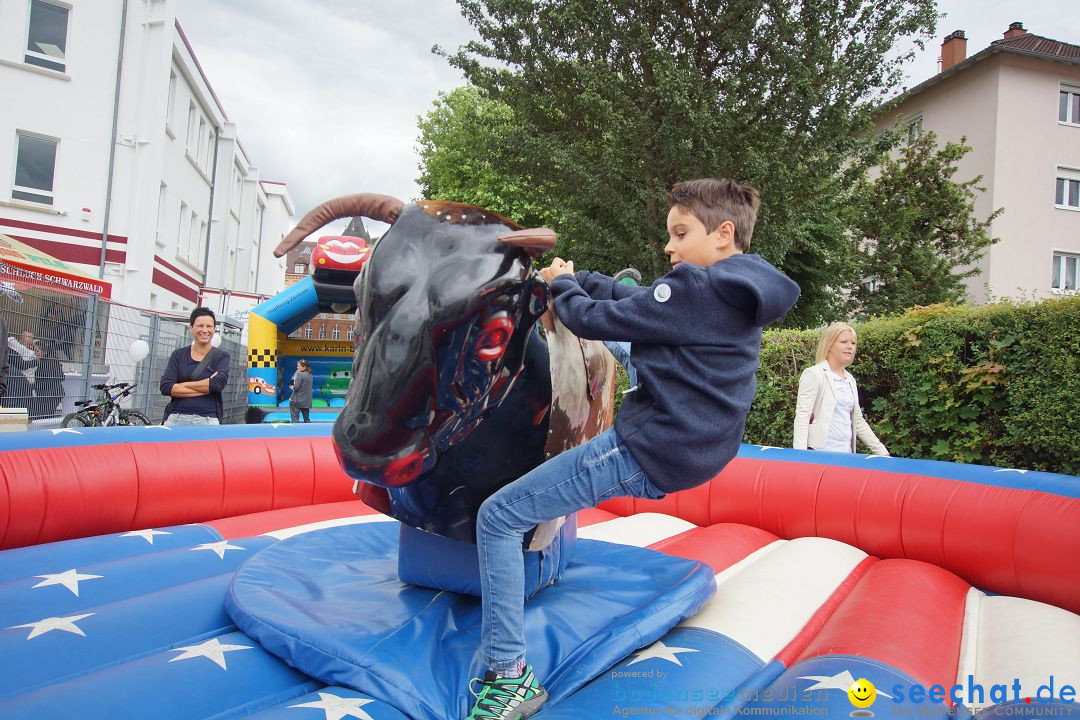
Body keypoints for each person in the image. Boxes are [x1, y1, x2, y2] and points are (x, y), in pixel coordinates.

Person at [463, 178, 801, 719]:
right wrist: (588, 280)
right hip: (698, 446)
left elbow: (592, 317)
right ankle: (629, 352)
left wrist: (565, 288)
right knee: (632, 341)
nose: (669, 247)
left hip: (651, 446)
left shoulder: (697, 289)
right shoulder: (740, 291)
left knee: (499, 517)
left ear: (724, 234)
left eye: (679, 233)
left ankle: (509, 676)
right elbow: (637, 301)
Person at [792, 322, 888, 456]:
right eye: (844, 342)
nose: (850, 347)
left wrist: (882, 452)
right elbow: (802, 416)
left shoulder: (850, 379)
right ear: (829, 345)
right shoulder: (814, 374)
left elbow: (858, 421)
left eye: (853, 343)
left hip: (846, 456)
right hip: (819, 455)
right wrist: (800, 457)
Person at [159, 307, 230, 425]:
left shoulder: (221, 356)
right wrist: (206, 387)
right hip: (177, 418)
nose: (205, 330)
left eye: (209, 326)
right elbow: (166, 387)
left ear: (214, 329)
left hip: (208, 420)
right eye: (200, 326)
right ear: (191, 328)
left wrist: (181, 385)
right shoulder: (178, 355)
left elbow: (217, 384)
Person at [3, 329, 37, 410]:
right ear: (21, 338)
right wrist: (37, 361)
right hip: (14, 388)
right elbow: (22, 365)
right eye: (28, 337)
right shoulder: (12, 350)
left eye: (32, 338)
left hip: (26, 387)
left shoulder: (33, 352)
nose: (30, 340)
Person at [30, 340, 65, 420]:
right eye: (34, 350)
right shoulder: (52, 360)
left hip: (48, 395)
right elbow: (62, 377)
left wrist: (32, 386)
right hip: (54, 394)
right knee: (47, 416)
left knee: (43, 417)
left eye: (37, 351)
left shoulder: (45, 363)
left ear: (44, 352)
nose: (35, 353)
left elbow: (43, 381)